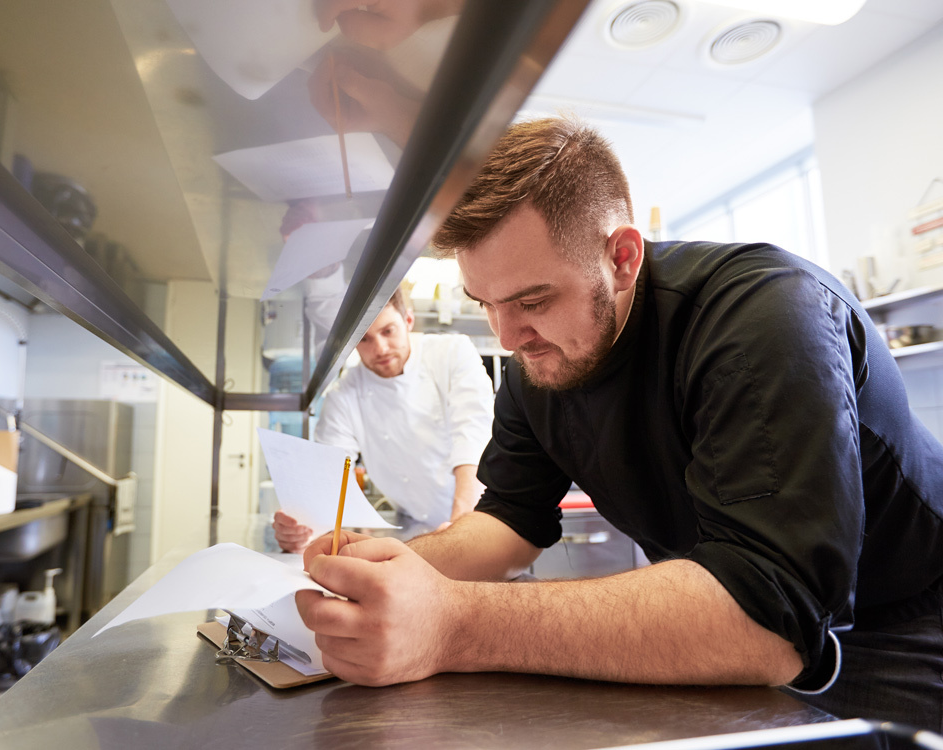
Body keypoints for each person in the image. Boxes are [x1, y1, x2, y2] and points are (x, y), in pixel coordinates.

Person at [294, 117, 943, 731]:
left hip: (907, 624)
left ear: (624, 258)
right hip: (743, 631)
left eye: (533, 300)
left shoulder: (762, 316)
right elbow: (507, 524)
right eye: (485, 303)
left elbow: (767, 615)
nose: (508, 335)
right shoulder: (537, 368)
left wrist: (451, 622)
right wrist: (380, 573)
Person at [273, 287, 494, 552]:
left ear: (408, 321)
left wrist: (461, 527)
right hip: (416, 527)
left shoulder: (451, 353)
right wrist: (300, 527)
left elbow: (473, 438)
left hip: (483, 517)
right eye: (364, 339)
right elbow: (328, 475)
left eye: (388, 331)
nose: (380, 348)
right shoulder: (344, 395)